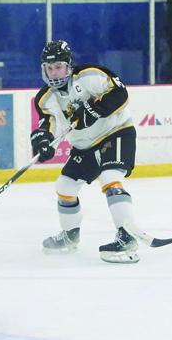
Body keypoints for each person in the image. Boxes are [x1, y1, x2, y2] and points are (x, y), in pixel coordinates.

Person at [31, 40, 141, 264]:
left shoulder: (89, 75)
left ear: (69, 65)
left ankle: (127, 236)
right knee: (65, 186)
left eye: (58, 66)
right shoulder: (45, 99)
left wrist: (94, 110)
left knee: (110, 177)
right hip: (84, 146)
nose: (54, 73)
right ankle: (70, 237)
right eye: (49, 68)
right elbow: (46, 125)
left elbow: (120, 93)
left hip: (116, 132)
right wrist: (42, 141)